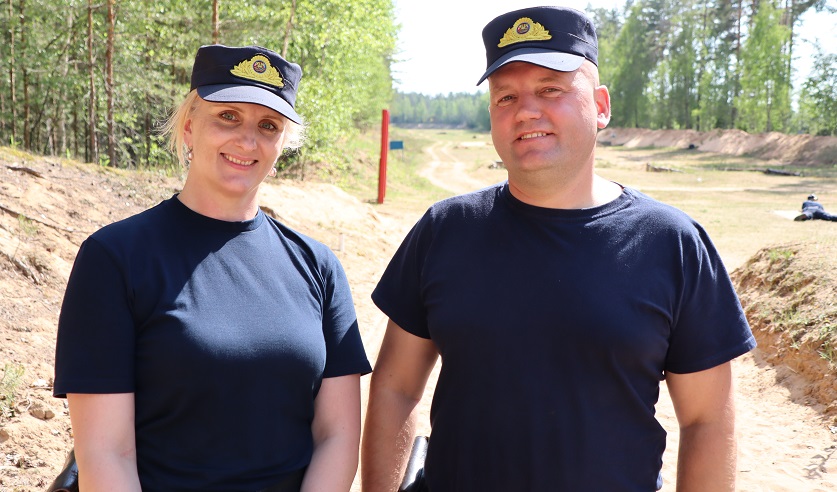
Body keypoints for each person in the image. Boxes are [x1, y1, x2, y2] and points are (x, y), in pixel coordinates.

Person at [361, 7, 755, 492]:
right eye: (506, 96)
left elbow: (708, 420)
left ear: (601, 106)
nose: (525, 110)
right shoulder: (444, 230)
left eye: (551, 89)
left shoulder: (671, 243)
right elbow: (395, 388)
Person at [53, 45, 371, 492]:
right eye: (228, 117)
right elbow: (107, 453)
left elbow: (336, 436)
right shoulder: (114, 258)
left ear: (283, 143)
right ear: (188, 126)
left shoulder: (319, 266)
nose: (247, 141)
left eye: (268, 126)